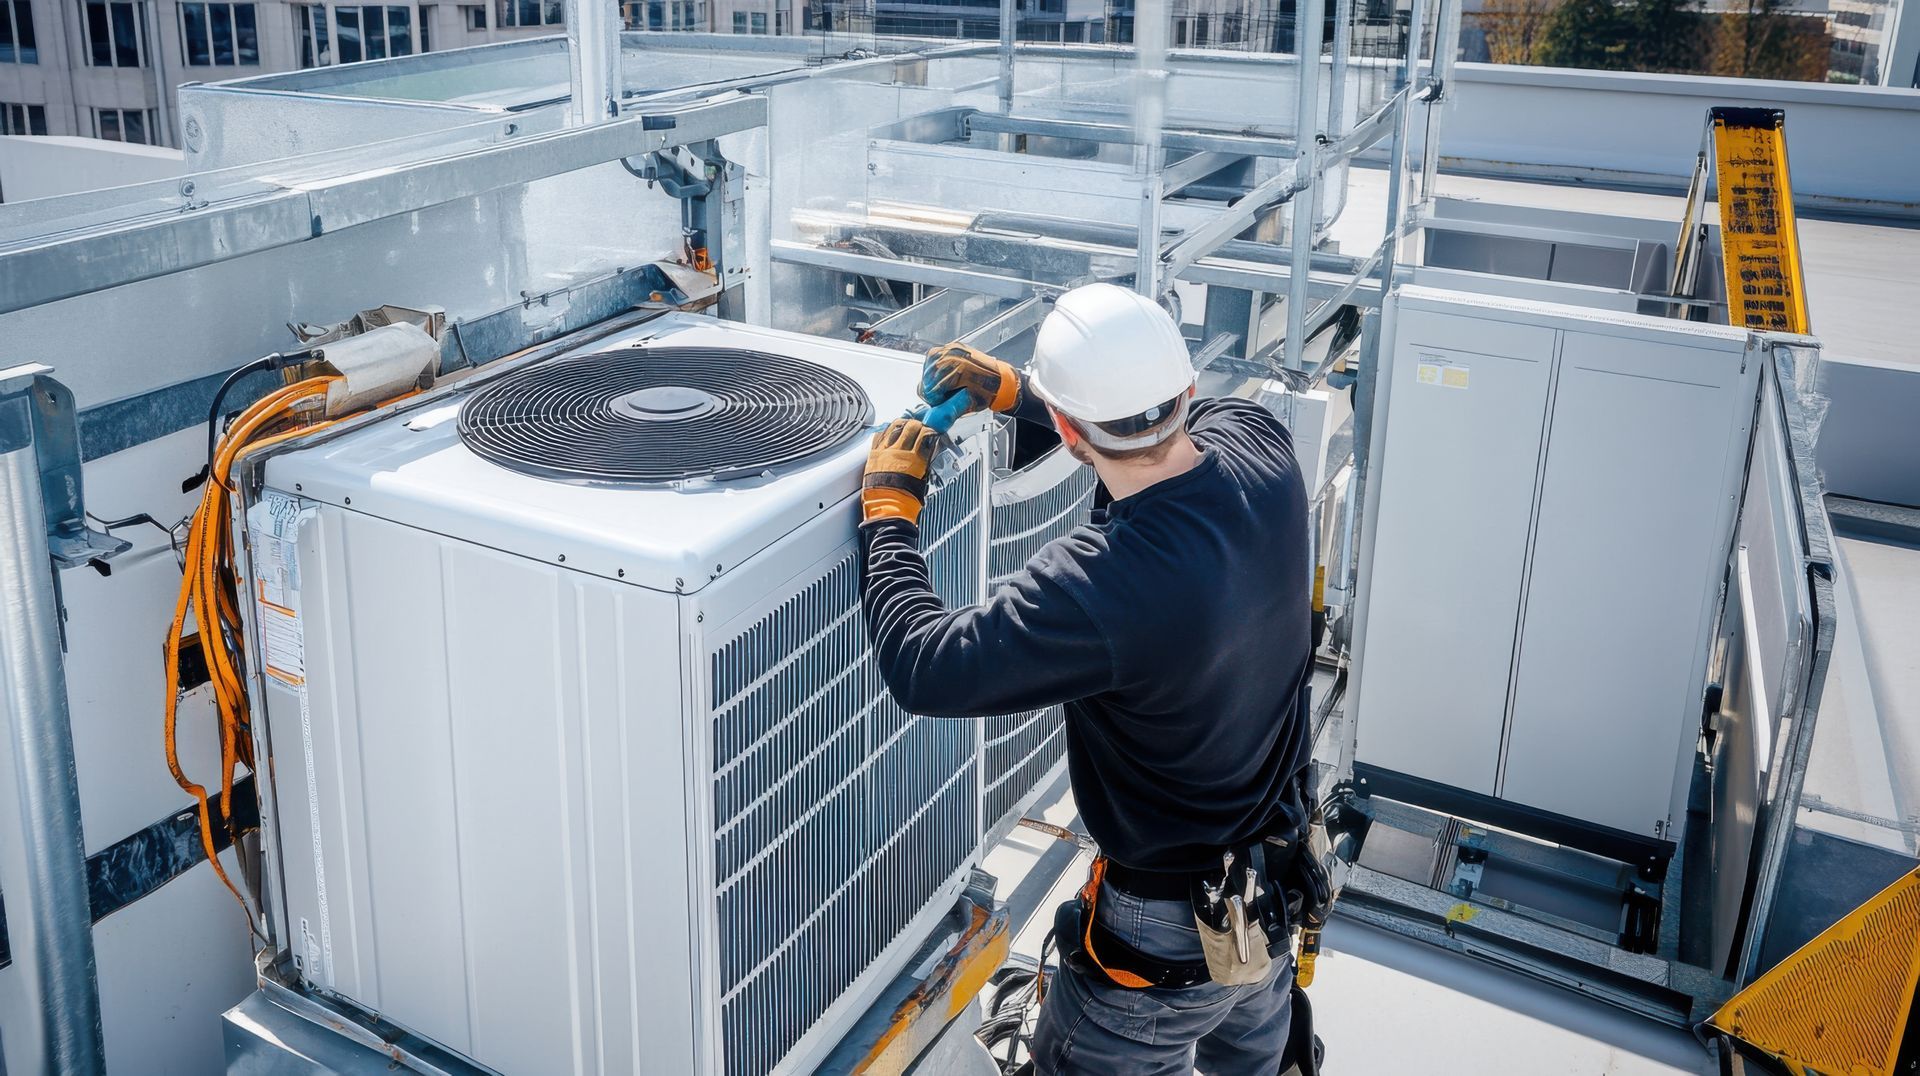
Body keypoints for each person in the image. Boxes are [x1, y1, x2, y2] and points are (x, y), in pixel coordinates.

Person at [856, 282, 1318, 1074]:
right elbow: (1153, 434)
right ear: (1188, 388)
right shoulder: (1263, 449)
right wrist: (1018, 395)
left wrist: (889, 516)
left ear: (1069, 432)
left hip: (1161, 944)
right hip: (1267, 896)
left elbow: (925, 667)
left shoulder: (1101, 587)